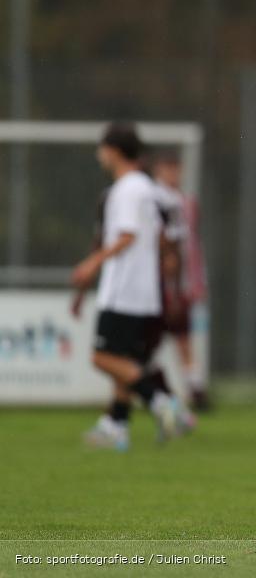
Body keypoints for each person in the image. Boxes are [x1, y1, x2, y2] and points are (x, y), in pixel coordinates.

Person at [73, 123, 187, 449]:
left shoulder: (127, 189)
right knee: (124, 362)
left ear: (114, 150)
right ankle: (117, 426)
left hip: (123, 289)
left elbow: (127, 235)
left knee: (102, 357)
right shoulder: (147, 188)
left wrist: (92, 263)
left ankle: (160, 402)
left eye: (102, 148)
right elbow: (163, 237)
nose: (99, 155)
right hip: (144, 290)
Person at [152, 151, 210, 410]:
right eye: (168, 168)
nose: (173, 174)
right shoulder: (153, 199)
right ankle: (157, 392)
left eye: (176, 168)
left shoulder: (187, 203)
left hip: (180, 285)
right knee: (149, 341)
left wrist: (196, 282)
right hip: (156, 285)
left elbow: (190, 249)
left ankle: (194, 390)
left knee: (183, 338)